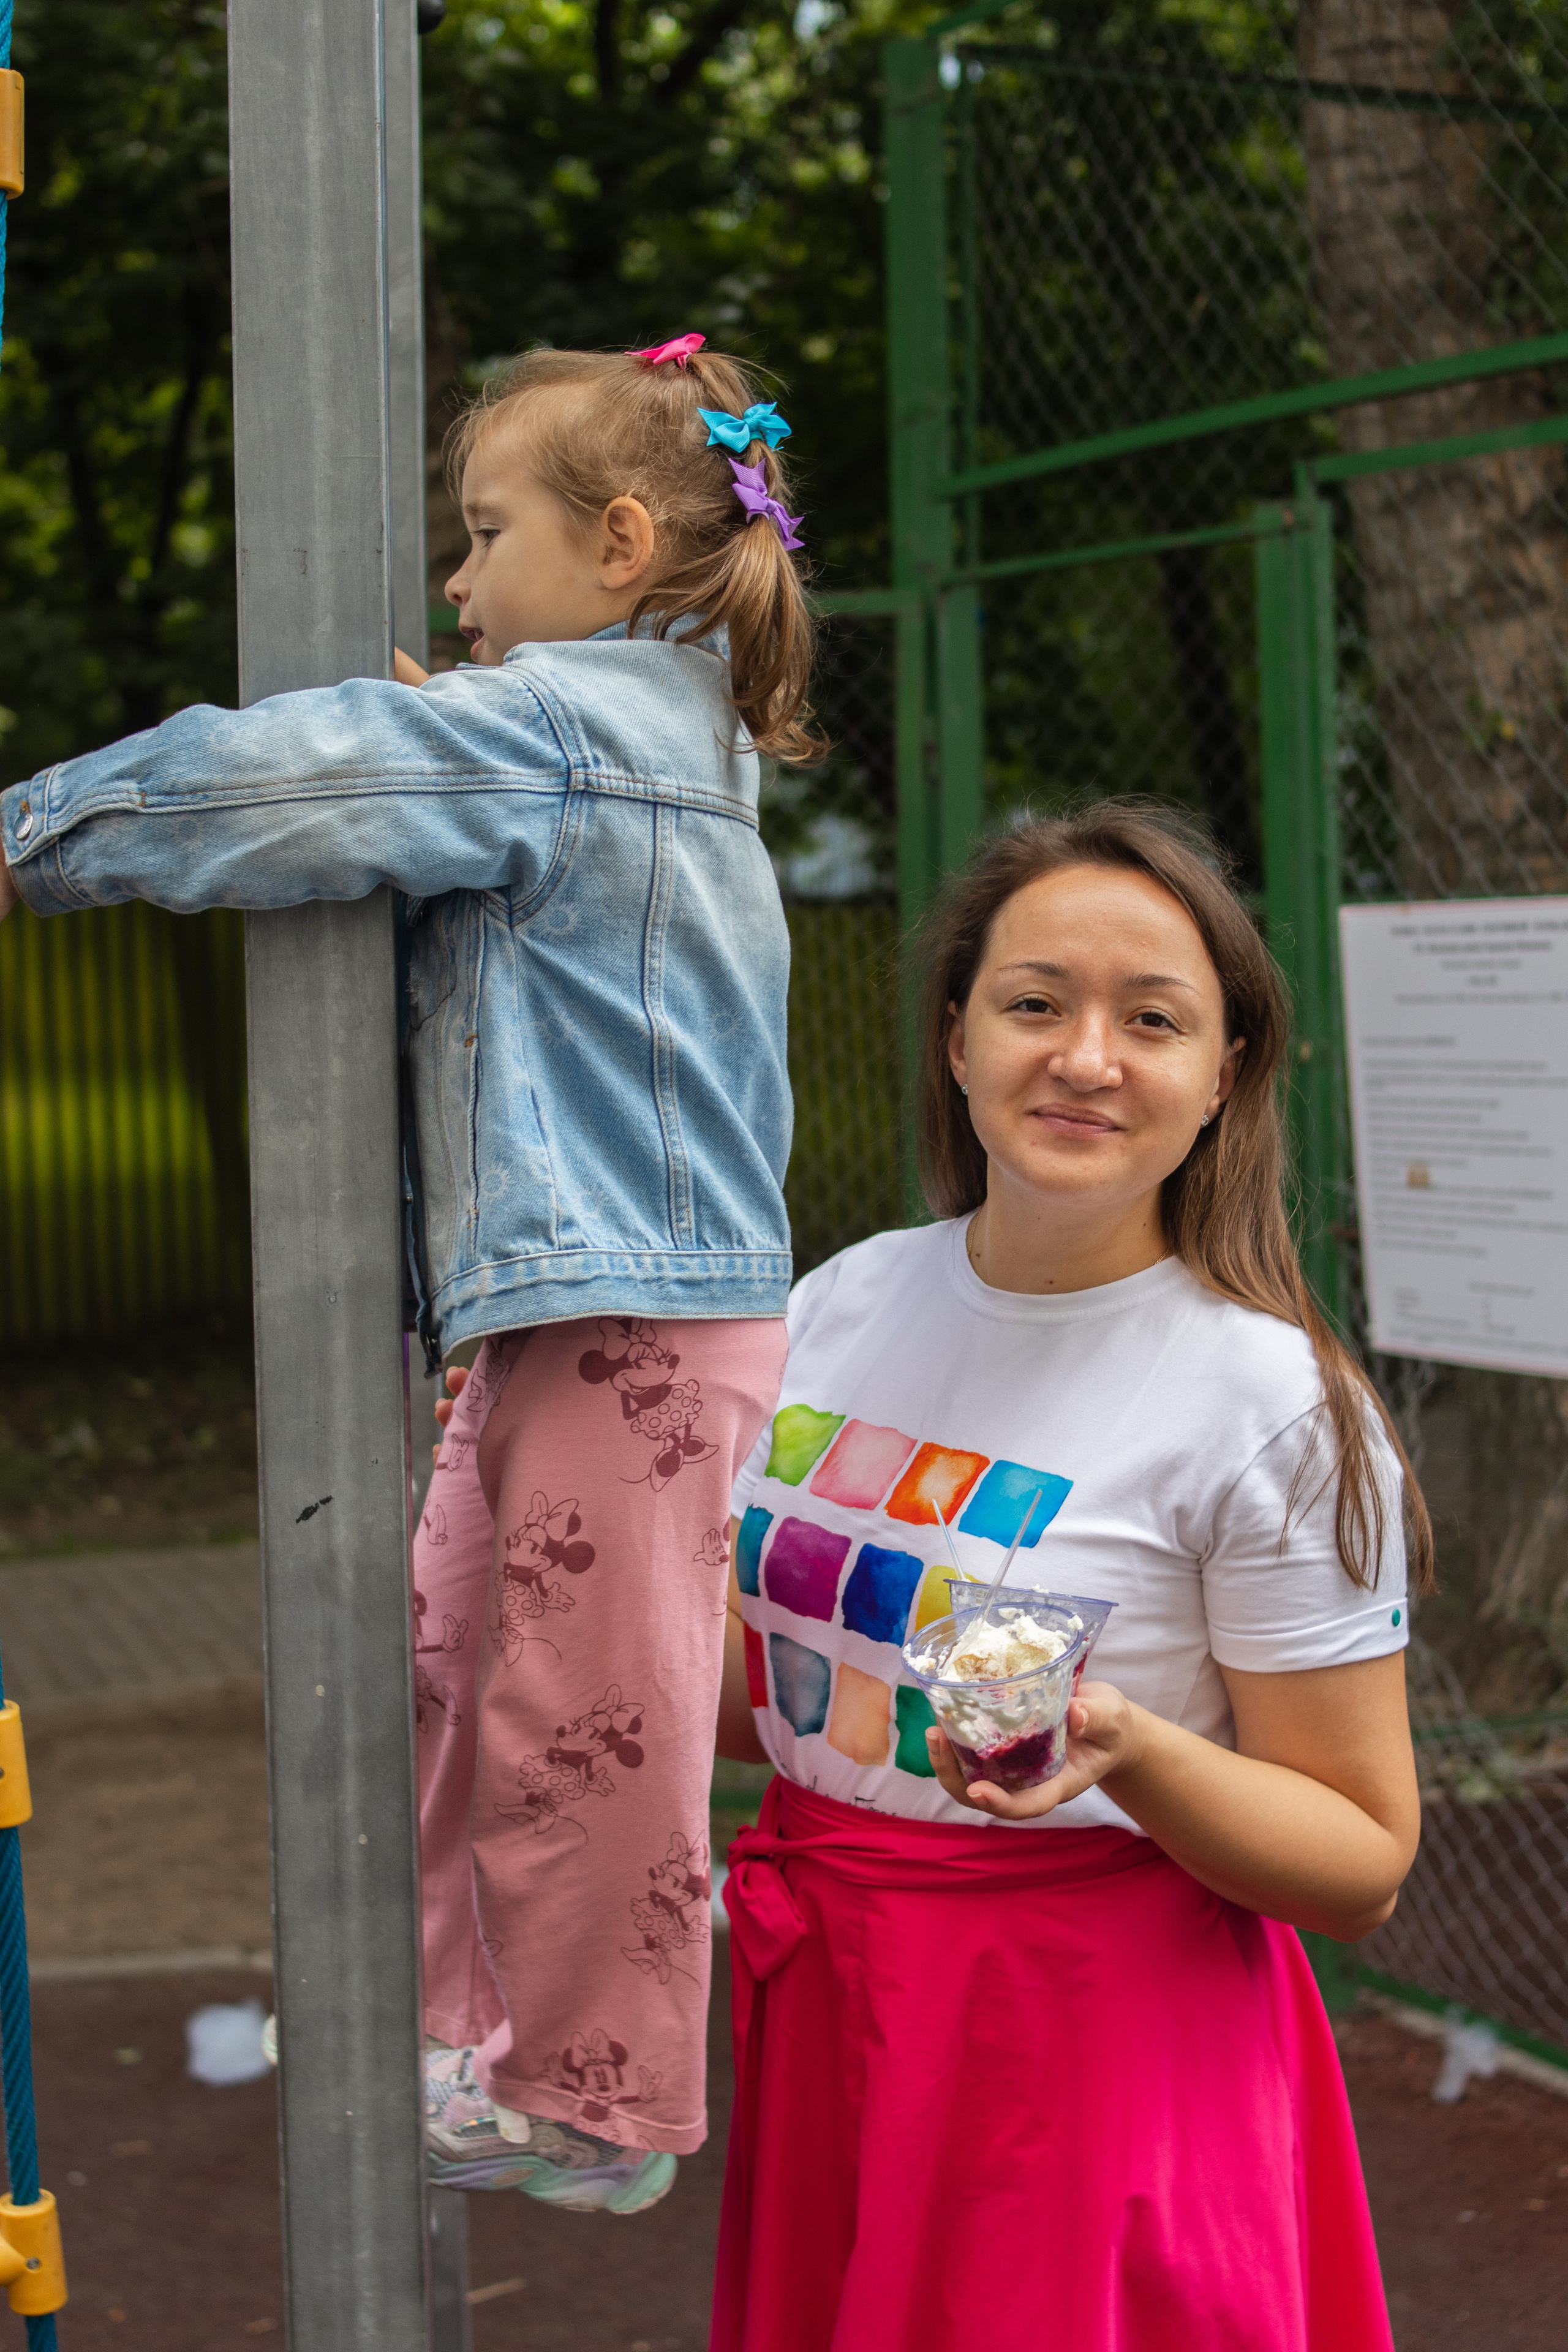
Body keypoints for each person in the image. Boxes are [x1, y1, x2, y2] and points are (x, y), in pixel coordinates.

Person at [0, 336, 812, 2215]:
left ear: (620, 545)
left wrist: (32, 839)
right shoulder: (648, 737)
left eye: (485, 535)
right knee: (450, 1661)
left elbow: (282, 782)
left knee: (588, 1714)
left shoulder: (556, 733)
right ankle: (464, 2024)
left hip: (632, 1317)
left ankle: (597, 2099)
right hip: (563, 1310)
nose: (455, 583)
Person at [709, 803, 1429, 2352]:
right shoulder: (836, 1304)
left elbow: (1360, 1861)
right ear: (956, 1036)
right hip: (836, 2008)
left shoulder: (1273, 1407)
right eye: (1034, 1002)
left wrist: (1131, 1748)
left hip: (1086, 2057)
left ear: (1222, 1073)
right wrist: (564, 1504)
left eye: (1151, 1020)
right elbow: (760, 1704)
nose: (1084, 1058)